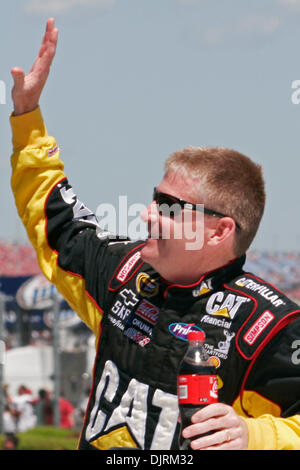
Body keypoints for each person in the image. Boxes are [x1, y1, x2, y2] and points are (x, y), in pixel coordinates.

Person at [9, 18, 300, 450]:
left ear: (219, 231)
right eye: (153, 198)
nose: (147, 214)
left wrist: (255, 435)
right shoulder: (124, 271)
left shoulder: (269, 326)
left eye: (169, 207)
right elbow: (55, 220)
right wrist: (27, 117)